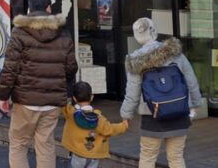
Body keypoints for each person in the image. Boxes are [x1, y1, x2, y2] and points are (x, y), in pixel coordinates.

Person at [0, 0, 78, 168]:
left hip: (25, 100)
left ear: (29, 9)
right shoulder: (63, 33)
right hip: (52, 101)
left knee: (19, 143)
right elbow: (71, 67)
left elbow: (10, 69)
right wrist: (67, 90)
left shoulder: (19, 32)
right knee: (46, 144)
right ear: (49, 8)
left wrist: (3, 96)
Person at [120, 18, 202, 168]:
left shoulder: (135, 61)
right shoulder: (175, 53)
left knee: (147, 157)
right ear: (154, 31)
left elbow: (132, 92)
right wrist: (195, 103)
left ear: (137, 36)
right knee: (176, 157)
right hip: (179, 112)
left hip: (151, 115)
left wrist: (126, 114)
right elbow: (191, 80)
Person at [62, 81, 128, 168]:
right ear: (92, 97)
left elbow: (62, 102)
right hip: (94, 156)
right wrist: (124, 125)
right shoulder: (98, 118)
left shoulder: (70, 113)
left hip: (77, 154)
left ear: (74, 98)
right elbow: (110, 129)